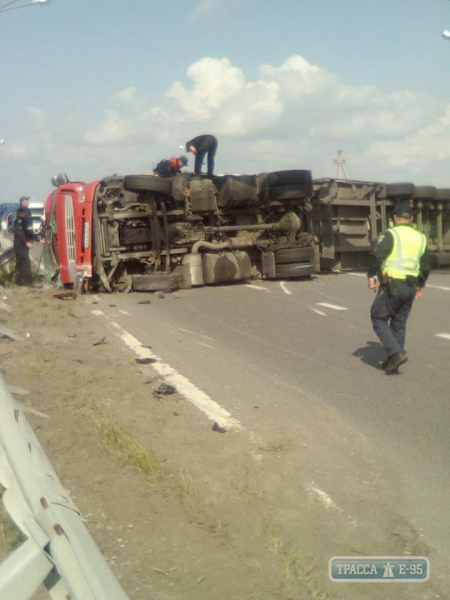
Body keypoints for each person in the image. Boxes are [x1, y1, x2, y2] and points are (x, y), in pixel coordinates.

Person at [367, 201, 430, 374]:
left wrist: (371, 275)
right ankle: (393, 360)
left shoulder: (391, 234)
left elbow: (377, 254)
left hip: (393, 285)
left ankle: (395, 353)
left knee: (377, 316)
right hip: (411, 286)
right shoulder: (421, 238)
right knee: (399, 322)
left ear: (394, 218)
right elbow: (426, 265)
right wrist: (421, 285)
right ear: (411, 218)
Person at [13, 207, 34, 286]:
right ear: (22, 213)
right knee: (25, 263)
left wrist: (37, 239)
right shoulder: (19, 221)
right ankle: (26, 282)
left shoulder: (23, 221)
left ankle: (19, 282)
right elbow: (20, 233)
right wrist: (26, 242)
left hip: (22, 245)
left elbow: (27, 233)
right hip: (20, 245)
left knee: (21, 263)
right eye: (26, 213)